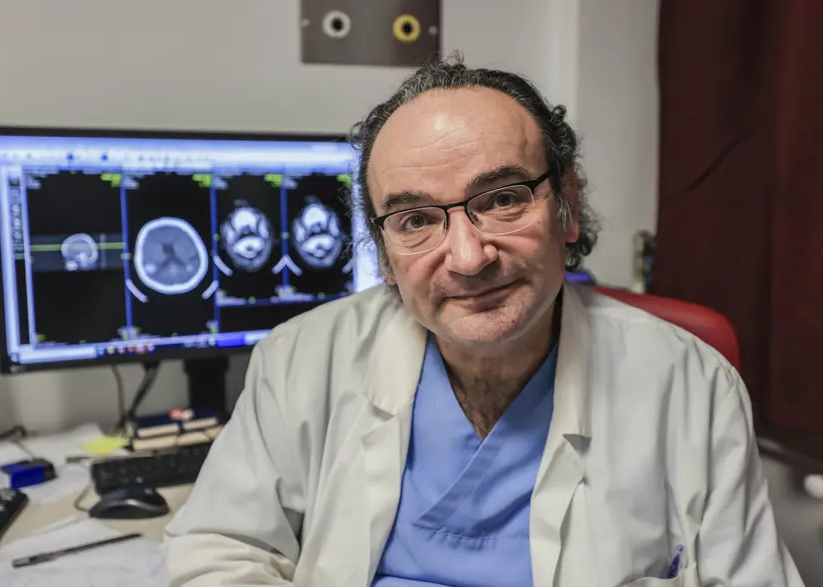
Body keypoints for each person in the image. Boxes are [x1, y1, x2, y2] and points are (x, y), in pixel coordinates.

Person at [163, 53, 803, 587]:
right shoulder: (301, 359)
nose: (468, 258)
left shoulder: (691, 384)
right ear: (385, 253)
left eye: (502, 200)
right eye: (416, 220)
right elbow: (218, 550)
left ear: (567, 207)